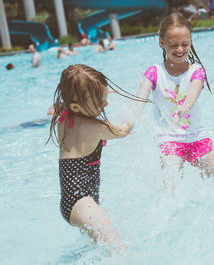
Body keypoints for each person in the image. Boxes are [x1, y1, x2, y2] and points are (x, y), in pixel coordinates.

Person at [46, 64, 150, 252]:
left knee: (102, 251)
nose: (106, 104)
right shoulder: (95, 127)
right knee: (120, 251)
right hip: (82, 202)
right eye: (101, 101)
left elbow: (58, 105)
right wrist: (136, 108)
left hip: (74, 202)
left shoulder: (64, 115)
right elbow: (124, 130)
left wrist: (96, 93)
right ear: (77, 106)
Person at [134, 12, 214, 189]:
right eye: (173, 45)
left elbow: (194, 91)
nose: (180, 50)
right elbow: (139, 100)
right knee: (172, 190)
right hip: (169, 141)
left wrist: (184, 107)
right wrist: (129, 120)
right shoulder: (154, 72)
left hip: (198, 138)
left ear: (191, 41)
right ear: (162, 43)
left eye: (185, 44)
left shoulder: (196, 71)